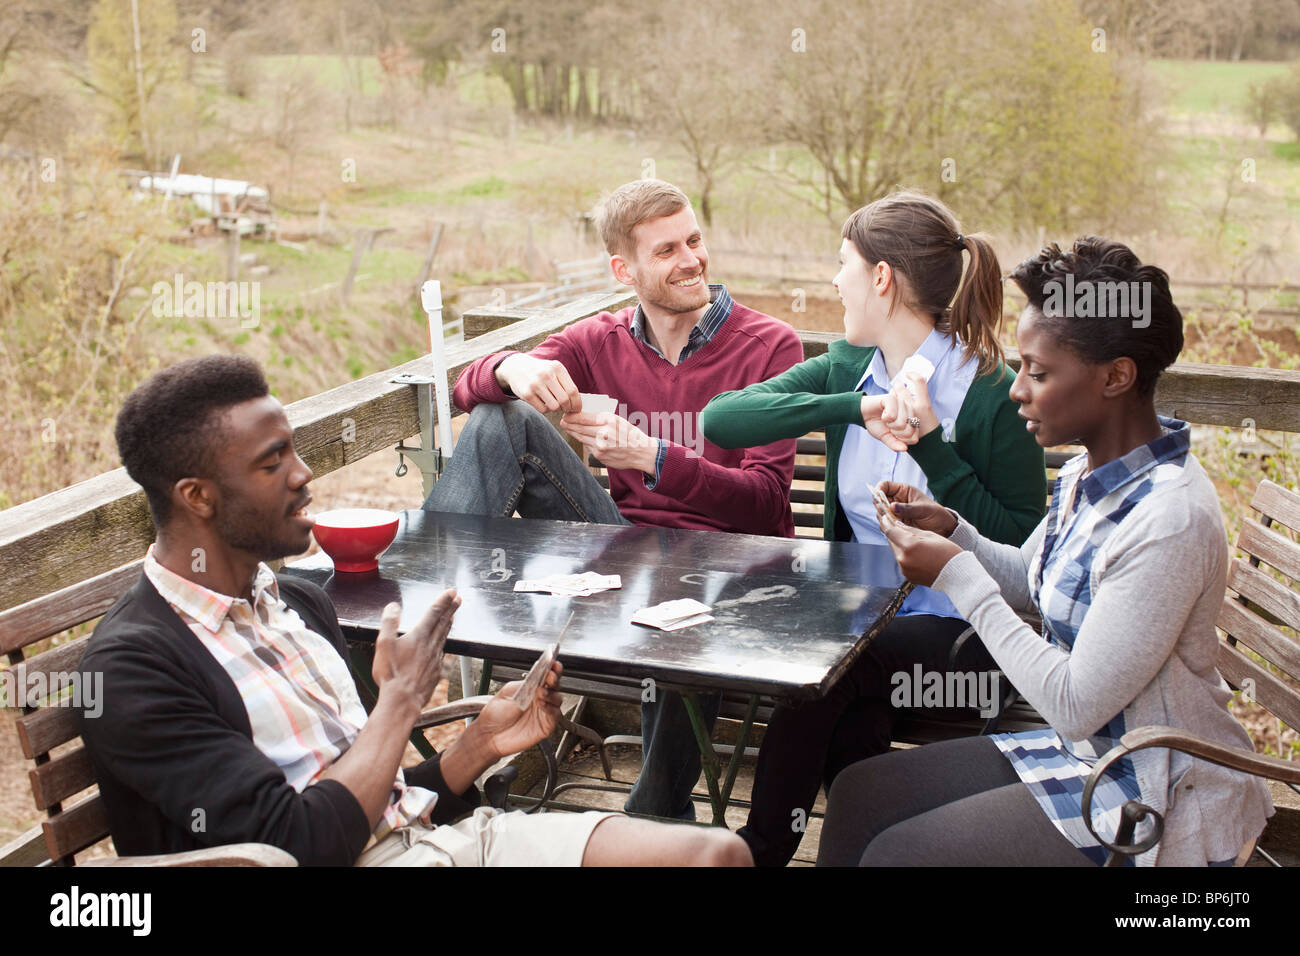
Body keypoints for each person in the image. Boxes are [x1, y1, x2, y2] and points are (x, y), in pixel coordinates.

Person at [79, 355, 753, 867]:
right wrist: (399, 702)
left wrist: (478, 747)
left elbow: (377, 797)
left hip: (439, 843)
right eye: (272, 461)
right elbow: (301, 844)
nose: (302, 473)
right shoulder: (136, 668)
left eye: (294, 449)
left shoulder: (298, 604)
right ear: (197, 496)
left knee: (717, 856)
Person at [817, 237, 1274, 866]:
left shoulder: (1169, 520)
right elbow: (1030, 582)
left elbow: (1074, 702)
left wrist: (956, 578)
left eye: (1039, 372)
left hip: (1151, 786)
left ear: (1116, 377)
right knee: (858, 793)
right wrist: (956, 533)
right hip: (1084, 753)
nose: (1016, 390)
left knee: (900, 855)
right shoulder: (1090, 473)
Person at [423, 178, 804, 820]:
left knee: (686, 622)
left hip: (729, 571)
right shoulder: (596, 341)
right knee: (500, 421)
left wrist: (656, 459)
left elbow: (766, 505)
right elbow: (468, 388)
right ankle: (420, 602)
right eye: (666, 251)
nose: (690, 260)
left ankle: (654, 815)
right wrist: (514, 369)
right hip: (623, 550)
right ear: (622, 269)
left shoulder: (770, 347)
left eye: (694, 240)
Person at [700, 189, 1046, 866]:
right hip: (866, 625)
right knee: (848, 684)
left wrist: (932, 448)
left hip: (971, 636)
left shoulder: (990, 395)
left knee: (834, 665)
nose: (835, 281)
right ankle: (859, 851)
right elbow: (721, 420)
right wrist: (856, 408)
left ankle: (759, 851)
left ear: (881, 278)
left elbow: (1026, 560)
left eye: (843, 264)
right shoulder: (847, 368)